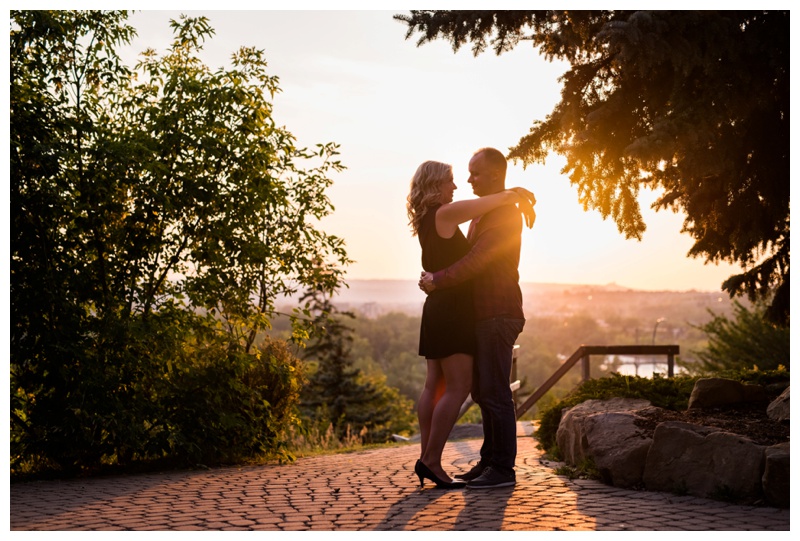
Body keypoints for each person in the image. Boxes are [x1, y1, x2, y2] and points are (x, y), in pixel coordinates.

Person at [407, 159, 534, 489]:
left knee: (434, 384)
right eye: (450, 180)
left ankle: (428, 457)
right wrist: (514, 194)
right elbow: (490, 204)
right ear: (436, 184)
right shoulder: (445, 212)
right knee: (459, 388)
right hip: (451, 308)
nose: (457, 185)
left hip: (438, 306)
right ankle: (432, 460)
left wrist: (436, 278)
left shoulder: (427, 216)